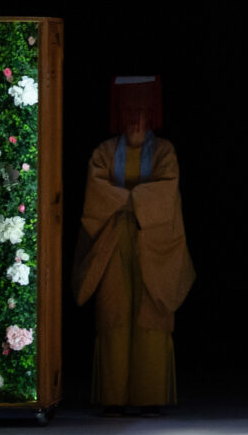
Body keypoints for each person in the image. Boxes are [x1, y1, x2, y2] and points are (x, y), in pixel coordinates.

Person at [73, 76, 194, 417]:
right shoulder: (105, 152)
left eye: (141, 113)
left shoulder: (164, 151)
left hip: (153, 241)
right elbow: (95, 191)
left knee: (150, 310)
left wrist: (123, 199)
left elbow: (166, 191)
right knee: (113, 312)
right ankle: (113, 397)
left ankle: (150, 396)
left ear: (150, 116)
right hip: (112, 240)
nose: (135, 120)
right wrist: (136, 199)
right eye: (128, 113)